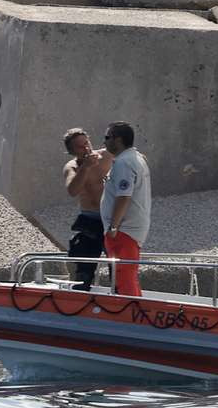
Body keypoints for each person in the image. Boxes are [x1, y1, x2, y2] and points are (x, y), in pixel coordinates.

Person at [100, 121, 151, 297]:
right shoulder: (135, 158)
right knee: (126, 276)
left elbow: (124, 196)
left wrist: (113, 227)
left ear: (118, 140)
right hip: (129, 229)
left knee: (123, 278)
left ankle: (129, 312)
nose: (104, 142)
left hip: (123, 230)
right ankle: (133, 310)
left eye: (107, 137)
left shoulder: (124, 162)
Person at [61, 127, 113, 290]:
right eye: (80, 146)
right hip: (90, 220)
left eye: (86, 143)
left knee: (118, 267)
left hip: (111, 218)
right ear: (71, 151)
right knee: (84, 269)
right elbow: (72, 190)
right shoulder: (72, 166)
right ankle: (81, 294)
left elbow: (132, 157)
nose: (86, 148)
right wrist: (86, 167)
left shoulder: (106, 156)